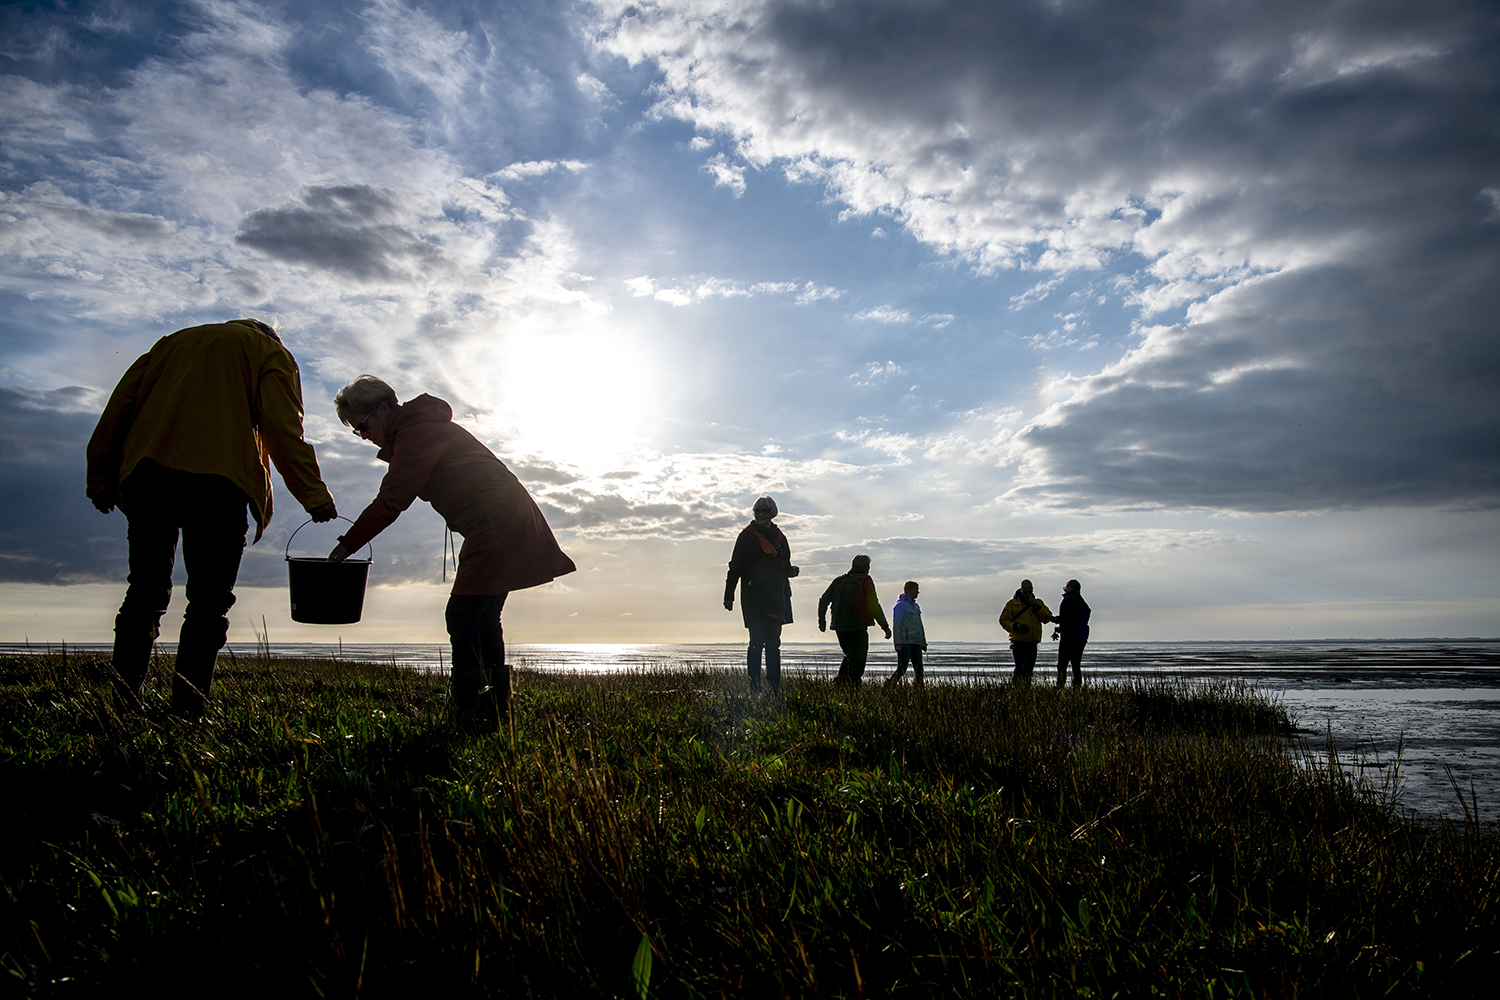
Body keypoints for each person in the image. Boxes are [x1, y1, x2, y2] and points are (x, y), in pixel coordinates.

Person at [86, 319, 337, 718]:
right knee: (208, 603)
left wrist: (100, 479)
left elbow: (118, 409)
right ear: (272, 336)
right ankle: (186, 711)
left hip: (149, 475)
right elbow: (281, 426)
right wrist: (314, 495)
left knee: (145, 592)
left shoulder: (171, 344)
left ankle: (122, 707)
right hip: (219, 484)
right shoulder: (268, 352)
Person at [327, 376, 575, 726]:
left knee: (462, 615)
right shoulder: (417, 430)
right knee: (484, 615)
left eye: (363, 426)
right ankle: (494, 710)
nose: (364, 436)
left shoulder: (418, 433)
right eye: (357, 432)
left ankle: (468, 709)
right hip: (504, 518)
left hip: (497, 521)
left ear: (383, 408)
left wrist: (345, 546)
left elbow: (391, 500)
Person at [723, 496, 799, 693]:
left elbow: (785, 566)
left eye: (766, 511)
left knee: (774, 645)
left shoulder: (780, 538)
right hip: (754, 597)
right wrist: (728, 594)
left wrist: (790, 572)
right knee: (756, 642)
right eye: (758, 511)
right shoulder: (746, 536)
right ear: (754, 513)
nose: (762, 514)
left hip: (777, 597)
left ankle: (775, 687)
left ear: (772, 513)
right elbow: (735, 566)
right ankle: (754, 687)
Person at [817, 554, 892, 686]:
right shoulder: (865, 580)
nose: (868, 569)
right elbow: (873, 604)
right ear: (864, 567)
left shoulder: (838, 581)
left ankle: (840, 683)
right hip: (857, 626)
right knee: (857, 660)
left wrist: (822, 621)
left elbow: (823, 601)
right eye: (868, 567)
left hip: (839, 626)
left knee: (850, 655)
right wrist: (885, 626)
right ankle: (852, 686)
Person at [998, 578, 1053, 684]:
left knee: (1029, 670)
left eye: (1030, 592)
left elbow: (1047, 618)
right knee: (1020, 668)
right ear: (1021, 590)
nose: (1028, 594)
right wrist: (1015, 626)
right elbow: (1003, 620)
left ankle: (1025, 689)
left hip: (1032, 642)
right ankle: (1016, 690)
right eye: (1025, 592)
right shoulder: (1012, 604)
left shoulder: (1039, 603)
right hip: (1018, 642)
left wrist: (1036, 607)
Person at [885, 581, 928, 688]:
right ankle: (890, 685)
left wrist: (923, 642)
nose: (918, 592)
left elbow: (920, 626)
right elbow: (897, 625)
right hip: (905, 643)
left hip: (916, 642)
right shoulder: (900, 606)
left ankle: (919, 688)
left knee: (919, 669)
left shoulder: (916, 607)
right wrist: (897, 642)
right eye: (915, 590)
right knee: (902, 668)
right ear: (908, 591)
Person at [1054, 578, 1092, 687]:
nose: (1065, 589)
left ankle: (1060, 687)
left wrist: (1054, 620)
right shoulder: (1082, 602)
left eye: (1066, 586)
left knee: (1062, 665)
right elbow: (1076, 620)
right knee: (1076, 665)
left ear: (1070, 587)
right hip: (1080, 638)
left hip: (1068, 638)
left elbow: (1064, 619)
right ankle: (1077, 688)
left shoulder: (1068, 600)